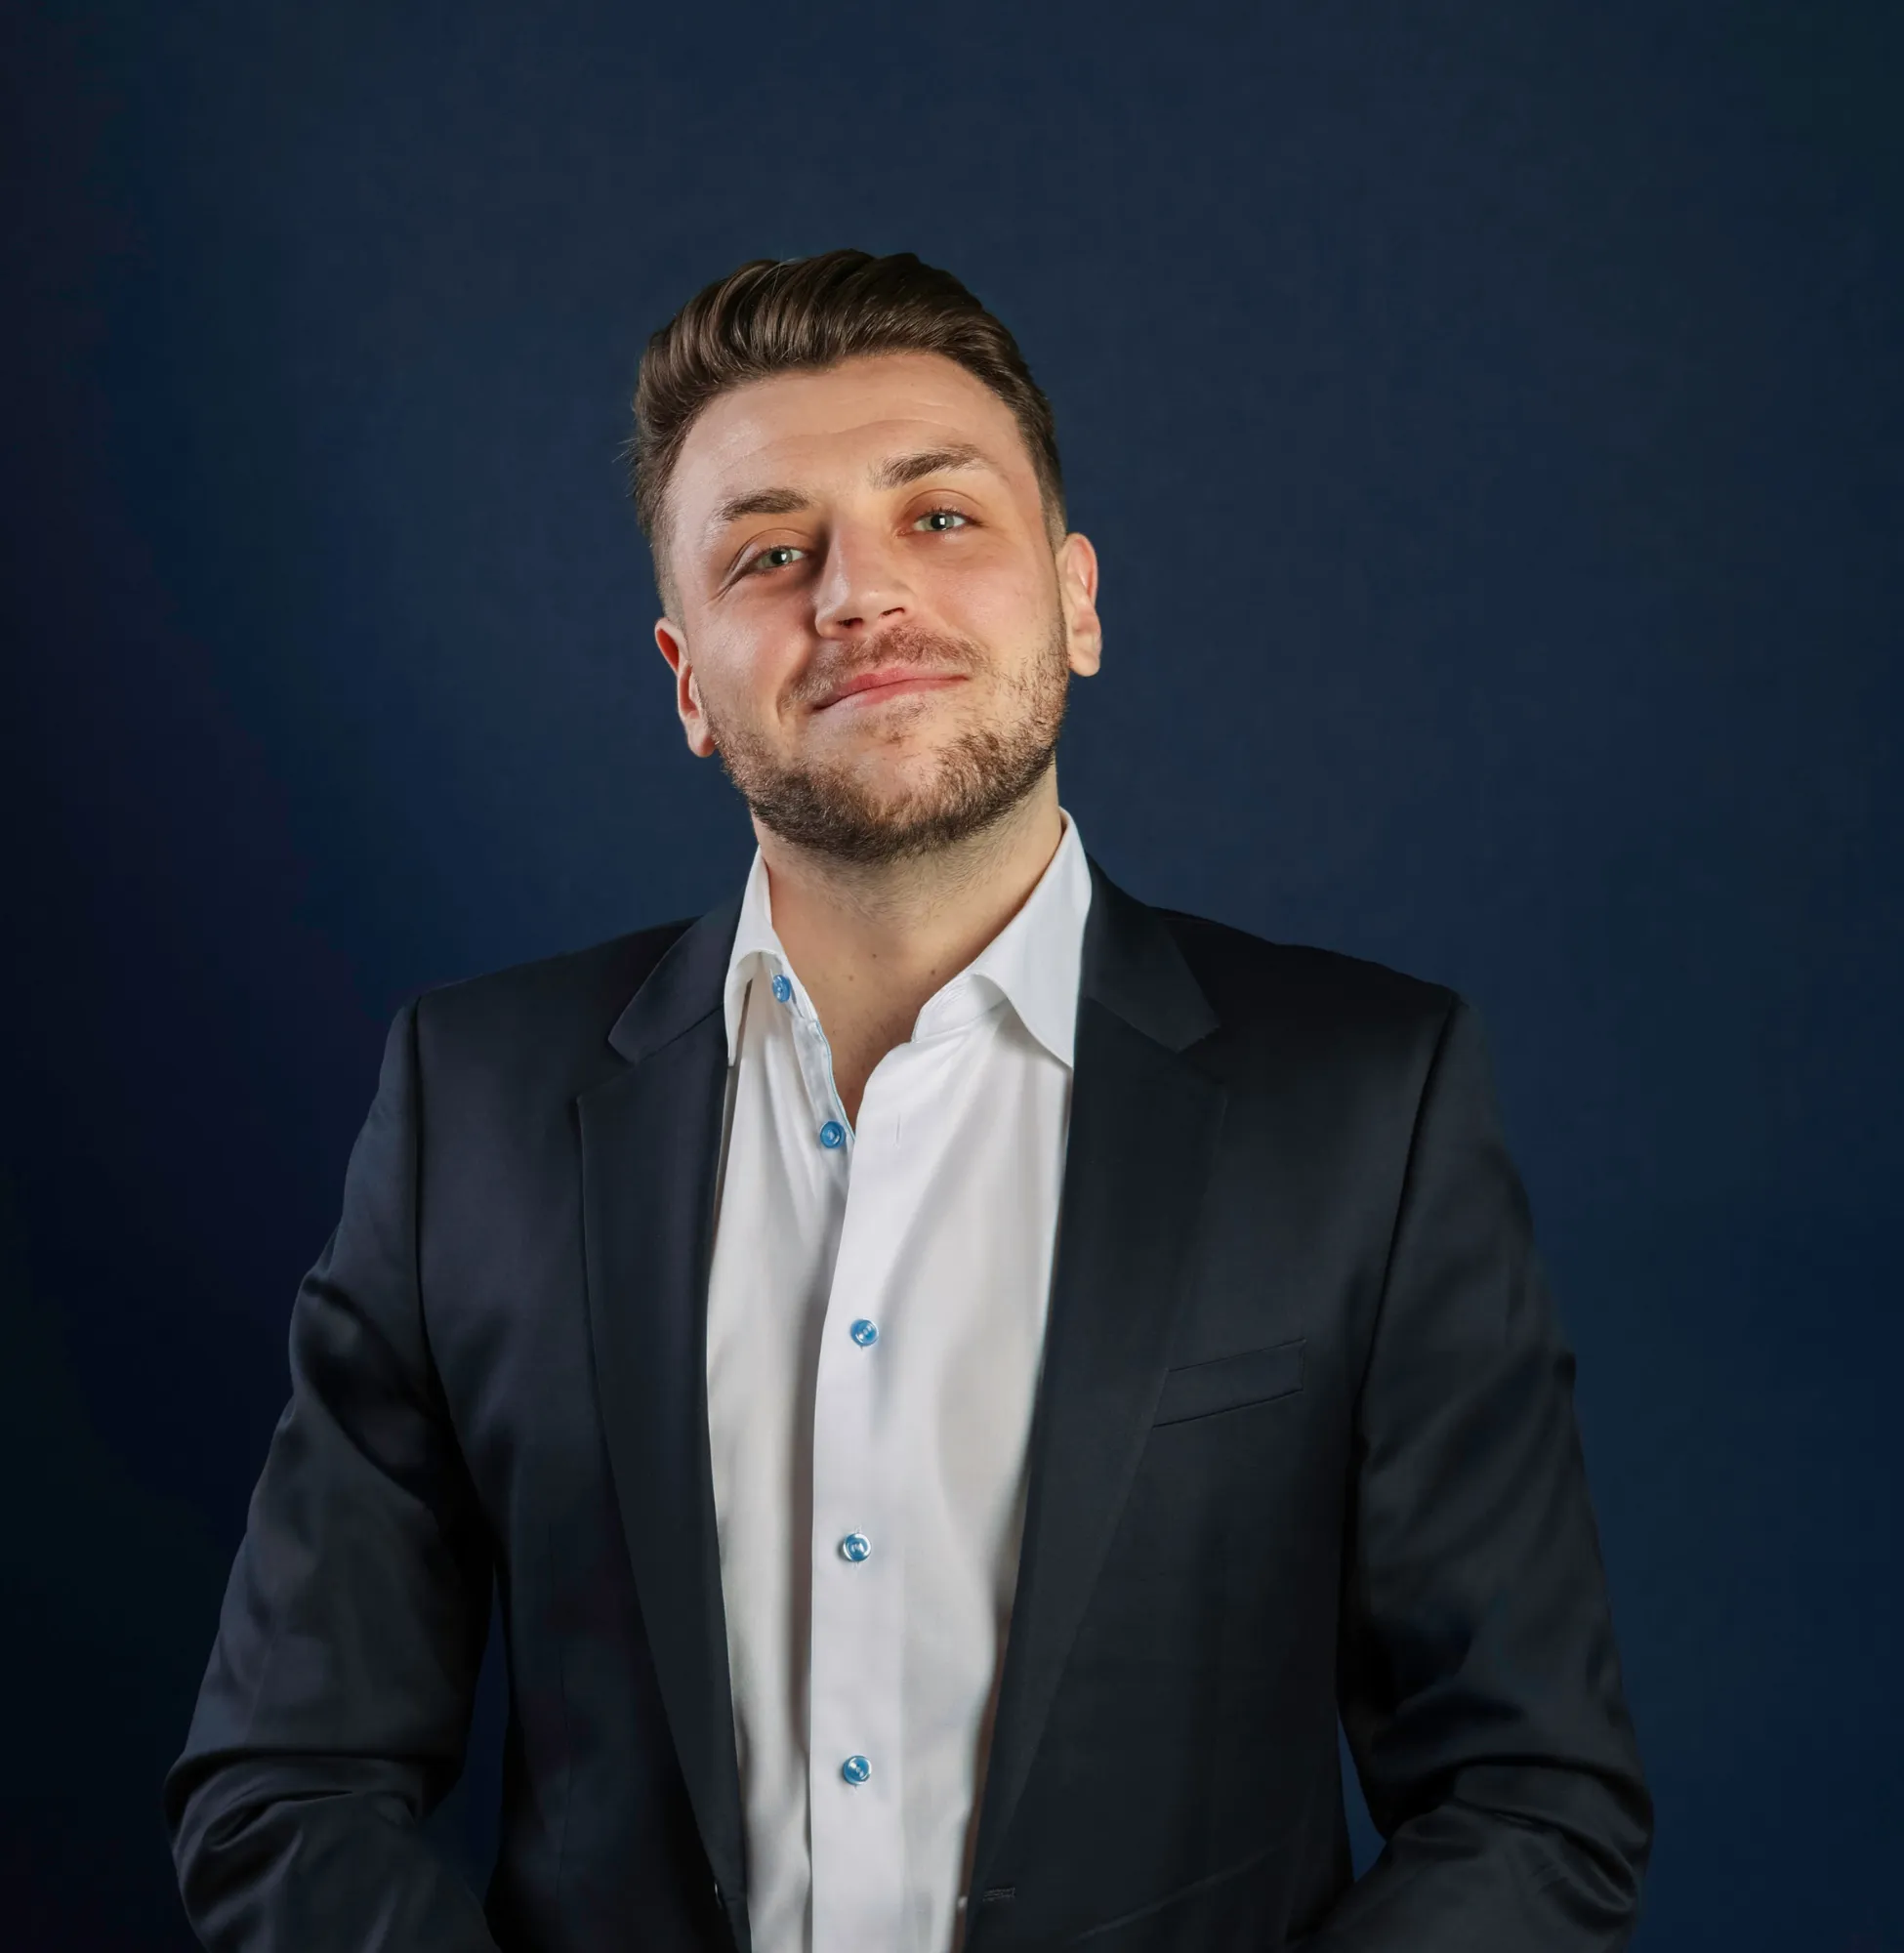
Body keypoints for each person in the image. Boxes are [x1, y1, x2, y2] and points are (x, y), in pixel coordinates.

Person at [164, 249, 1651, 1952]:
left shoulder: (1364, 1099)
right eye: (769, 552)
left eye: (939, 516)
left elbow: (1529, 1799)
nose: (855, 595)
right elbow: (280, 1785)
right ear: (684, 685)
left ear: (1078, 603)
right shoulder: (472, 1109)